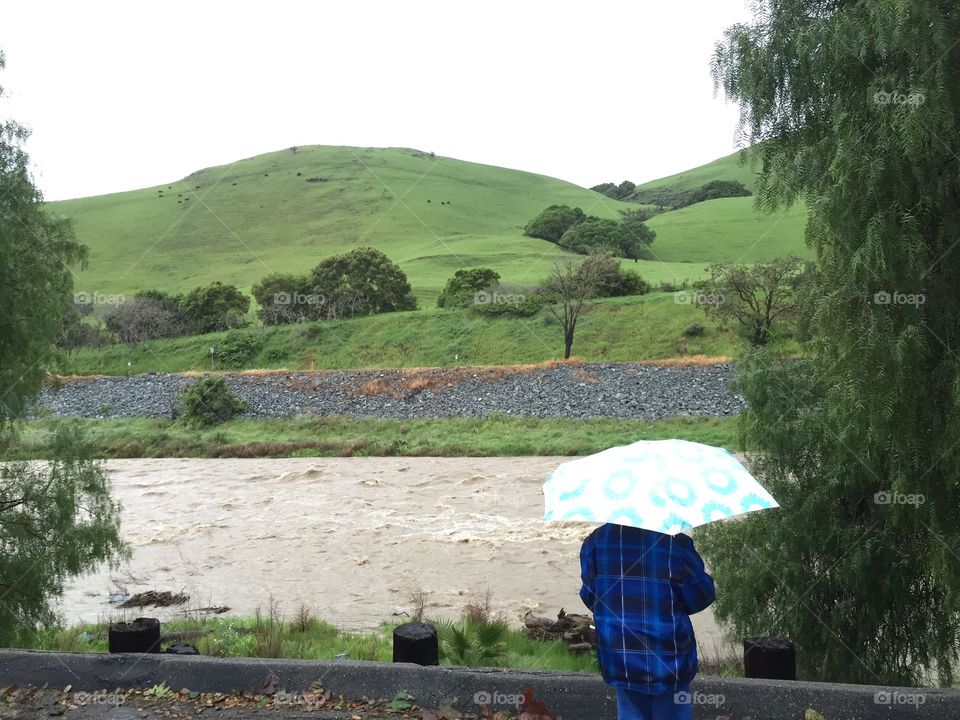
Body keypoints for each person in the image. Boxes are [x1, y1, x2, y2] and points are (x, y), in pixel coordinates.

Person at [579, 523, 716, 720]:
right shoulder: (675, 544)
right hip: (669, 658)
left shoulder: (596, 541)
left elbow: (590, 595)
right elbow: (702, 595)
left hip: (620, 655)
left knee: (630, 713)